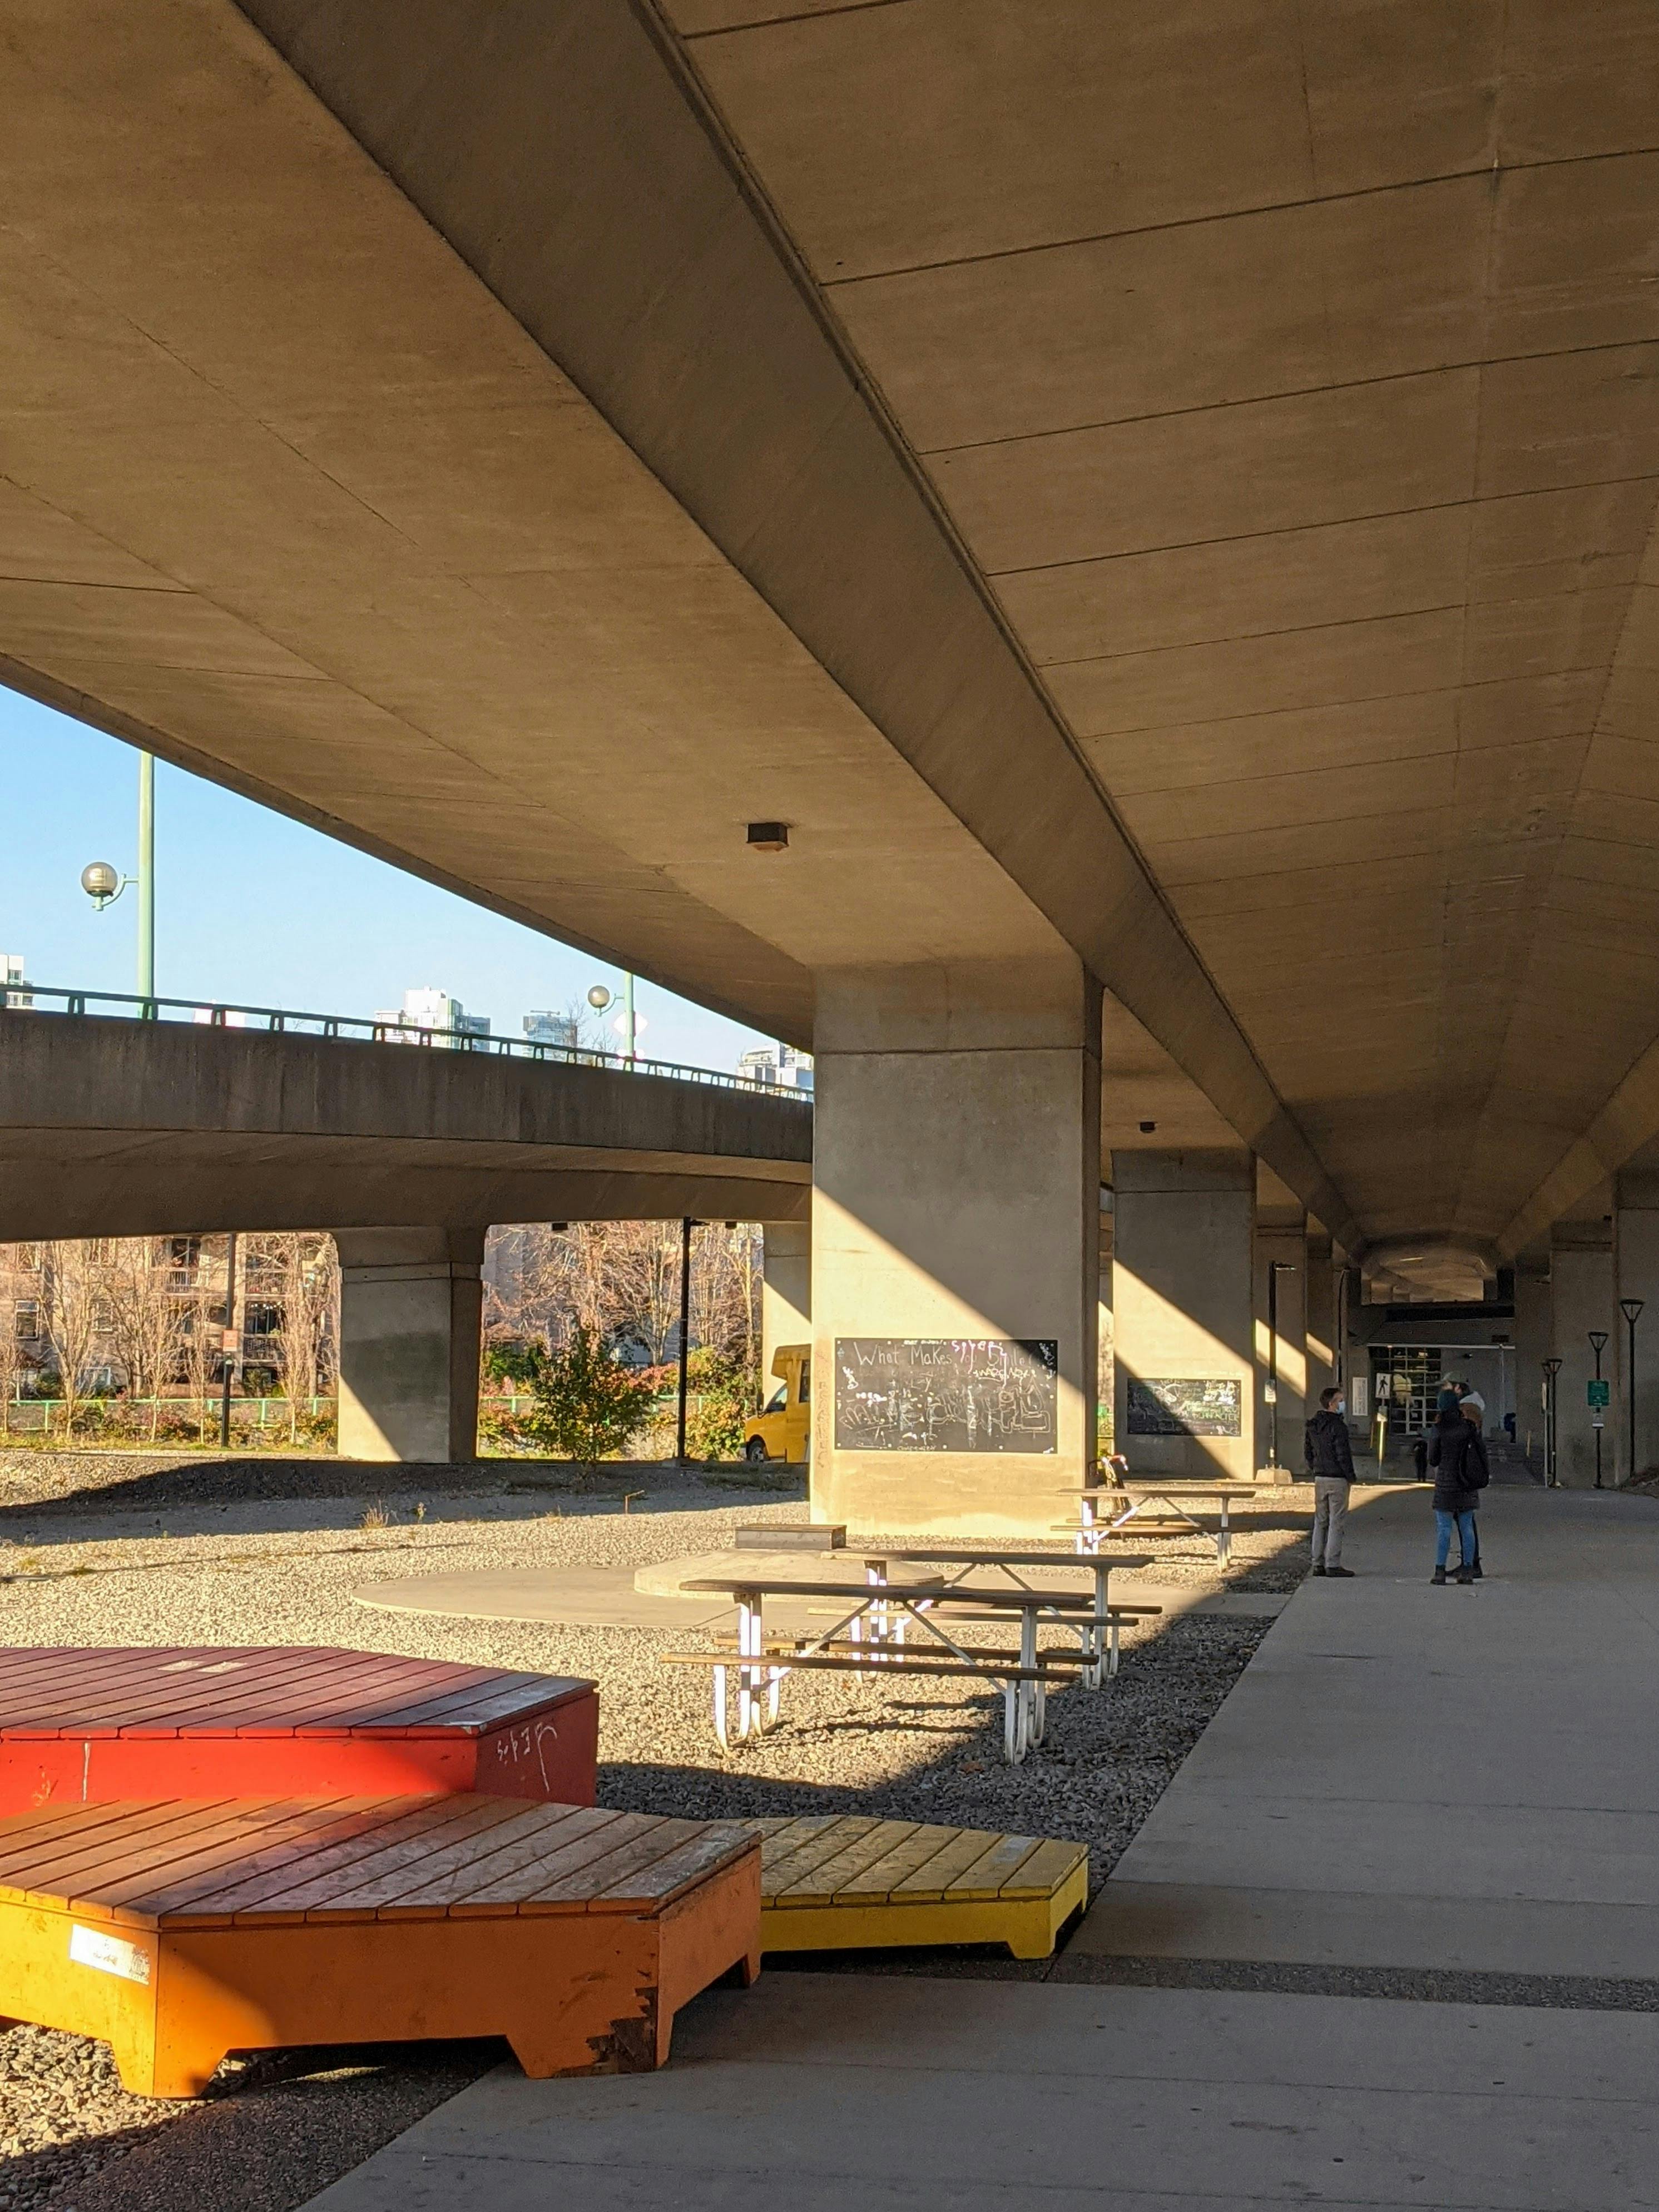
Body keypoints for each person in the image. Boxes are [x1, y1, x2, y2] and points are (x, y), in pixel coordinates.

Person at [1427, 1398, 1489, 1584]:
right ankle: (1468, 1570)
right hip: (1467, 1484)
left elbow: (1433, 1459)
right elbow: (1481, 1453)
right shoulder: (1470, 1428)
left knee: (1444, 1528)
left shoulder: (1439, 1429)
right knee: (1467, 1526)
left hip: (1446, 1486)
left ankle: (1440, 1571)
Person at [1304, 1384, 1356, 1578]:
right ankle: (1333, 1563)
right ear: (1333, 1404)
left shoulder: (1313, 1425)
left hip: (1320, 1477)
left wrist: (1315, 1468)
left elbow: (1308, 1452)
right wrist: (1350, 1477)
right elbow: (1343, 1455)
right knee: (1337, 1521)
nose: (1343, 1404)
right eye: (1341, 1401)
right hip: (1337, 1478)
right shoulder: (1338, 1426)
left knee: (1321, 1520)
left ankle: (1317, 1563)